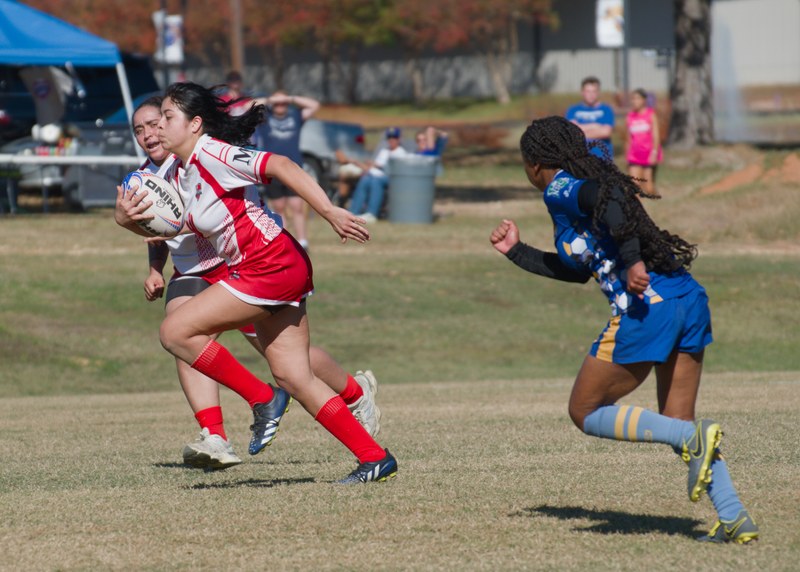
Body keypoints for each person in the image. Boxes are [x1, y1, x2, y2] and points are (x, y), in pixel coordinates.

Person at [489, 116, 758, 544]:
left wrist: (633, 261)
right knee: (677, 422)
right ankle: (733, 516)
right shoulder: (582, 181)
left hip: (648, 305)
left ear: (535, 164)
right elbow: (578, 269)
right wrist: (517, 252)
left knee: (585, 410)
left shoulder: (559, 187)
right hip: (686, 298)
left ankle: (693, 440)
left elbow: (613, 196)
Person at [128, 81, 396, 484]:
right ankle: (374, 458)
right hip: (270, 267)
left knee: (175, 331)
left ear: (195, 124)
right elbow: (172, 228)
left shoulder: (213, 153)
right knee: (294, 375)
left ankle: (264, 398)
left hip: (269, 264)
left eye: (167, 117)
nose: (157, 127)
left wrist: (328, 211)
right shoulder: (182, 171)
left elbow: (281, 165)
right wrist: (126, 219)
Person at [250, 91, 321, 250]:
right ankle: (285, 242)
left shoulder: (295, 116)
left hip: (293, 168)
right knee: (279, 207)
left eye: (283, 103)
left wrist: (290, 98)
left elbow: (314, 105)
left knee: (297, 206)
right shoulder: (265, 118)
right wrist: (270, 99)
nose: (280, 105)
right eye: (277, 103)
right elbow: (248, 106)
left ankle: (302, 242)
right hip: (272, 169)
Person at [346, 127, 408, 223]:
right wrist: (364, 165)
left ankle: (372, 213)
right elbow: (374, 166)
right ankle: (353, 212)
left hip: (392, 179)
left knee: (376, 180)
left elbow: (388, 169)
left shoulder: (401, 153)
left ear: (399, 139)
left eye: (394, 137)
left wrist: (369, 165)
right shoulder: (384, 151)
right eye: (389, 137)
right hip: (375, 175)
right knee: (365, 179)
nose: (391, 140)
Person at [565, 76, 616, 160]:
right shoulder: (573, 110)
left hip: (602, 159)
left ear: (598, 93)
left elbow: (606, 132)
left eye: (594, 91)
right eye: (588, 91)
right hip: (580, 159)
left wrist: (581, 129)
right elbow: (572, 133)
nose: (591, 95)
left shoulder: (606, 109)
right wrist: (595, 126)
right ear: (582, 92)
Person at [626, 88, 662, 197]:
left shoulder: (650, 115)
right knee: (635, 185)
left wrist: (654, 152)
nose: (634, 101)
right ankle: (637, 205)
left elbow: (656, 136)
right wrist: (627, 154)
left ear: (644, 100)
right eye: (633, 99)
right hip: (634, 155)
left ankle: (655, 196)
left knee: (648, 187)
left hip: (648, 153)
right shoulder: (630, 116)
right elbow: (628, 138)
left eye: (637, 98)